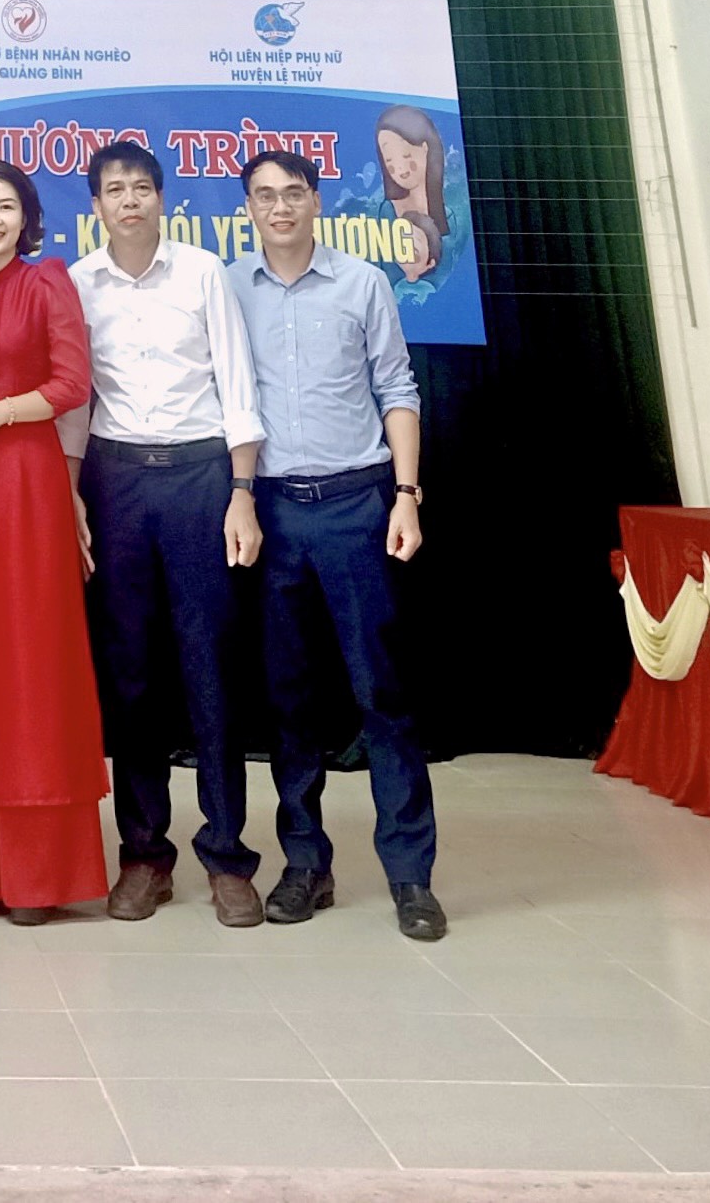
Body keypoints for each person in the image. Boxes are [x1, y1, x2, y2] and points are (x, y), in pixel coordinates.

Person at [231, 148, 444, 941]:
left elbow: (397, 388)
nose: (279, 207)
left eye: (292, 193)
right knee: (287, 701)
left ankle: (410, 876)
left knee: (381, 694)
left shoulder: (362, 283)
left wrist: (406, 495)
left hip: (357, 503)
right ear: (247, 208)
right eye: (263, 196)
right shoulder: (229, 288)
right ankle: (303, 864)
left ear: (315, 200)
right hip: (272, 511)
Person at [62, 140, 267, 929]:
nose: (128, 201)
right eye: (113, 190)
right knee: (131, 672)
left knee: (209, 666)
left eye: (141, 187)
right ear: (95, 206)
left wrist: (241, 491)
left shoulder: (203, 272)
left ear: (161, 198)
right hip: (114, 480)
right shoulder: (77, 282)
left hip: (198, 477)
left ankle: (227, 856)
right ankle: (144, 855)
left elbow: (236, 383)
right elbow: (74, 399)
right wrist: (70, 493)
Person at [0, 162, 109, 924]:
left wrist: (2, 411)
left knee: (32, 663)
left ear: (26, 217)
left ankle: (40, 874)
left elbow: (72, 383)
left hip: (26, 484)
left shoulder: (48, 282)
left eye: (5, 206)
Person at [375, 105, 447, 283]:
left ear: (425, 147)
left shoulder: (451, 214)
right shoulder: (387, 211)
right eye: (389, 160)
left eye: (406, 156)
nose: (400, 168)